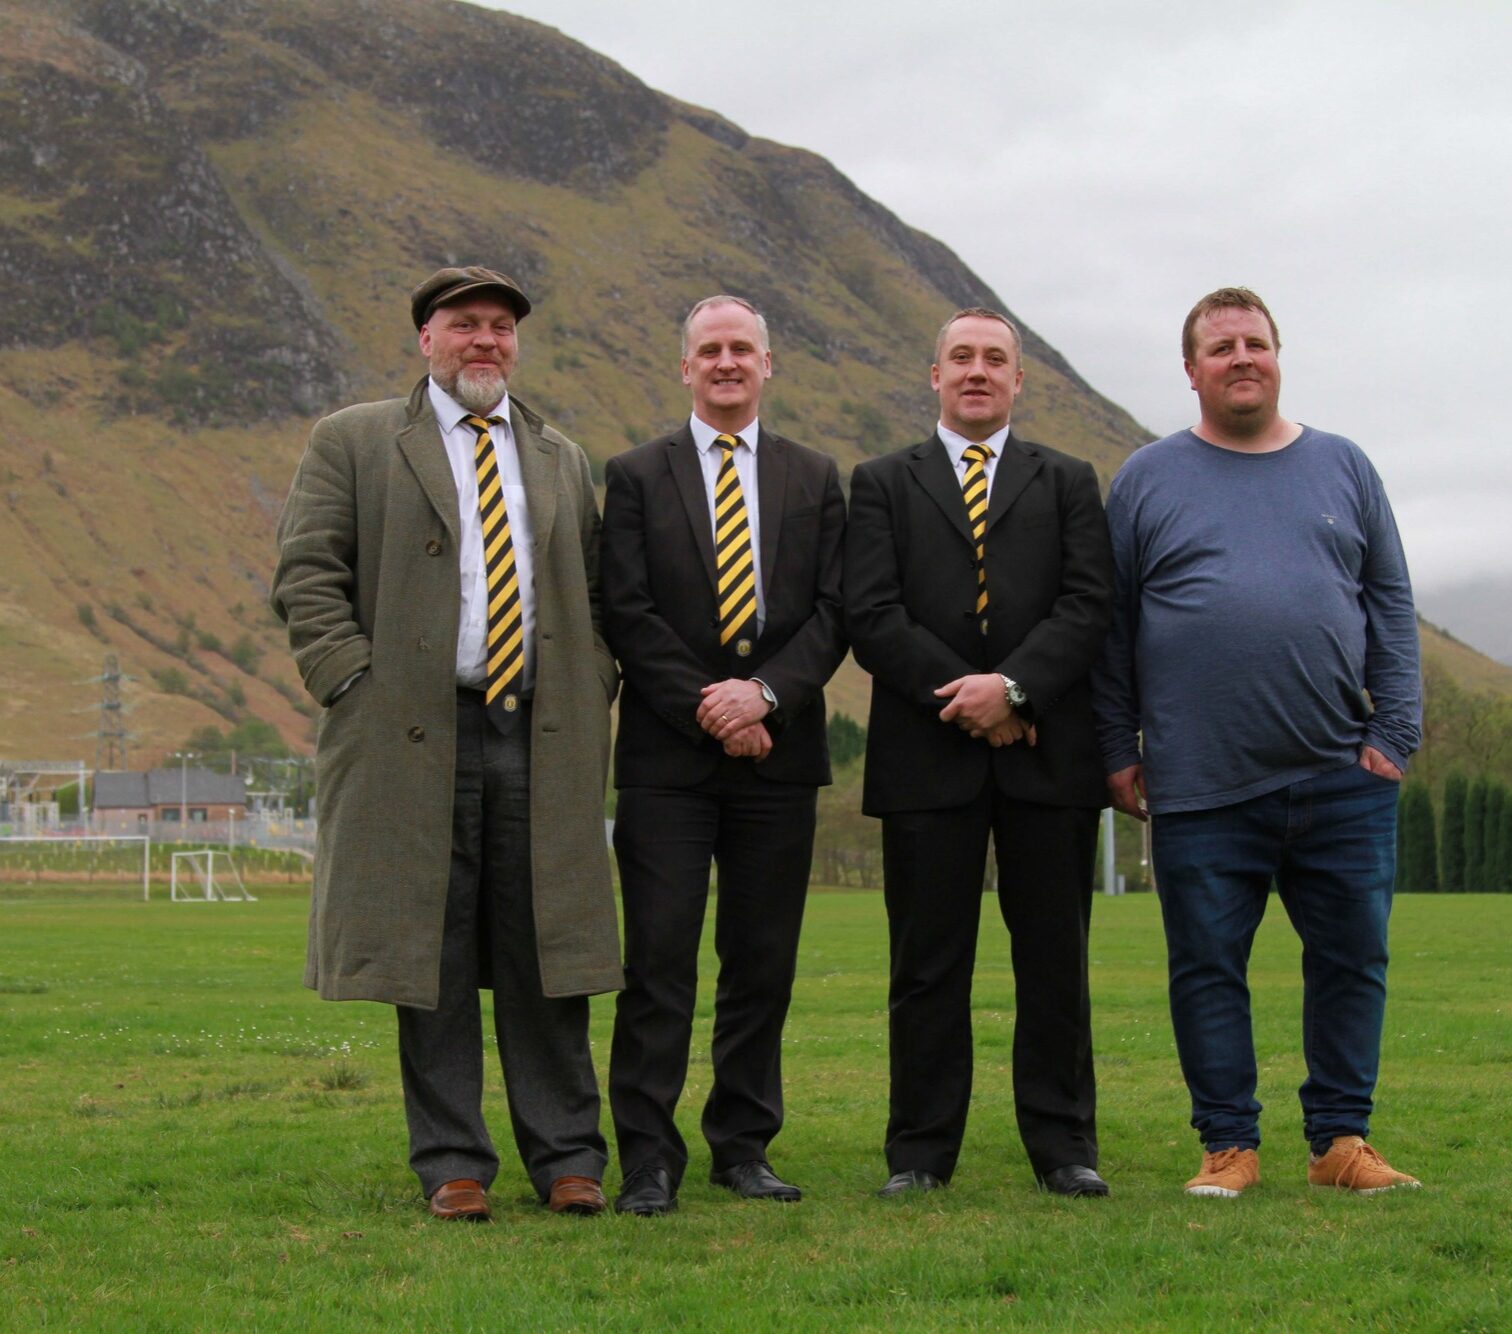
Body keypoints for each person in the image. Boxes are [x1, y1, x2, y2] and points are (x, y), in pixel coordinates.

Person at [271, 266, 621, 1222]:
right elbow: (306, 575)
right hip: (408, 737)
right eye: (464, 325)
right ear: (425, 339)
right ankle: (452, 1164)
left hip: (538, 738)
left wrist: (591, 686)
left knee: (545, 947)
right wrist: (355, 680)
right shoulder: (353, 440)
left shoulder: (560, 457)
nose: (485, 342)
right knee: (426, 953)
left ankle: (568, 1159)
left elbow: (592, 599)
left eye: (501, 327)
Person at [1094, 287, 1423, 1198]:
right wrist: (1116, 746)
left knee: (1352, 960)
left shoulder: (1343, 466)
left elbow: (1389, 603)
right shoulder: (1146, 478)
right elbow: (1111, 629)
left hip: (1339, 774)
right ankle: (1227, 1146)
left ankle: (1340, 1144)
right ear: (1191, 369)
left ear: (1277, 357)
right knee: (1206, 969)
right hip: (1199, 782)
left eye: (1256, 342)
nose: (1241, 357)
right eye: (1220, 346)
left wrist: (1393, 732)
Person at [844, 307, 1114, 1199]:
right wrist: (970, 700)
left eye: (994, 360)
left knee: (1053, 962)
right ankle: (919, 1154)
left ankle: (1064, 1148)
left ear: (1018, 381)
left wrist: (1015, 689)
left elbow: (1086, 606)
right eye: (960, 357)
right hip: (928, 758)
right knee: (926, 967)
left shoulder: (1069, 480)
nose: (976, 372)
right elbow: (872, 615)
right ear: (933, 376)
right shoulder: (882, 482)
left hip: (1047, 759)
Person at [599, 295, 847, 1216]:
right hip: (668, 763)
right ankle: (647, 1160)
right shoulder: (632, 475)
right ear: (685, 368)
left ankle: (742, 1147)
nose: (727, 362)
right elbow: (625, 609)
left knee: (761, 964)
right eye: (710, 350)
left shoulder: (816, 477)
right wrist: (712, 707)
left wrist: (765, 696)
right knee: (657, 963)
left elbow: (835, 613)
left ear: (768, 364)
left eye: (742, 348)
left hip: (778, 762)